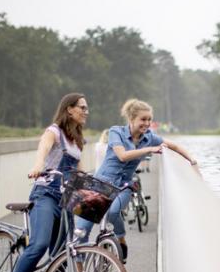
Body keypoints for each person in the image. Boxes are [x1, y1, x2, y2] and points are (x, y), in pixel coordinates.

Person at [2, 93, 89, 272]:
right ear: (69, 109)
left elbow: (81, 173)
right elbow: (44, 147)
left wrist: (93, 189)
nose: (86, 111)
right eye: (82, 107)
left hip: (66, 199)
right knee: (39, 243)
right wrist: (39, 164)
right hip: (46, 195)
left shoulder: (78, 140)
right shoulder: (55, 131)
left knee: (61, 254)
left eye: (86, 108)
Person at [75, 98, 198, 260]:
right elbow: (122, 155)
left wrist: (192, 161)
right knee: (81, 231)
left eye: (149, 119)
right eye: (143, 119)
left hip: (124, 185)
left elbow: (173, 146)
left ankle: (120, 238)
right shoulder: (115, 132)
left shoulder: (149, 137)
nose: (147, 123)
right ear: (131, 119)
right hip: (100, 184)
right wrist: (150, 149)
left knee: (112, 211)